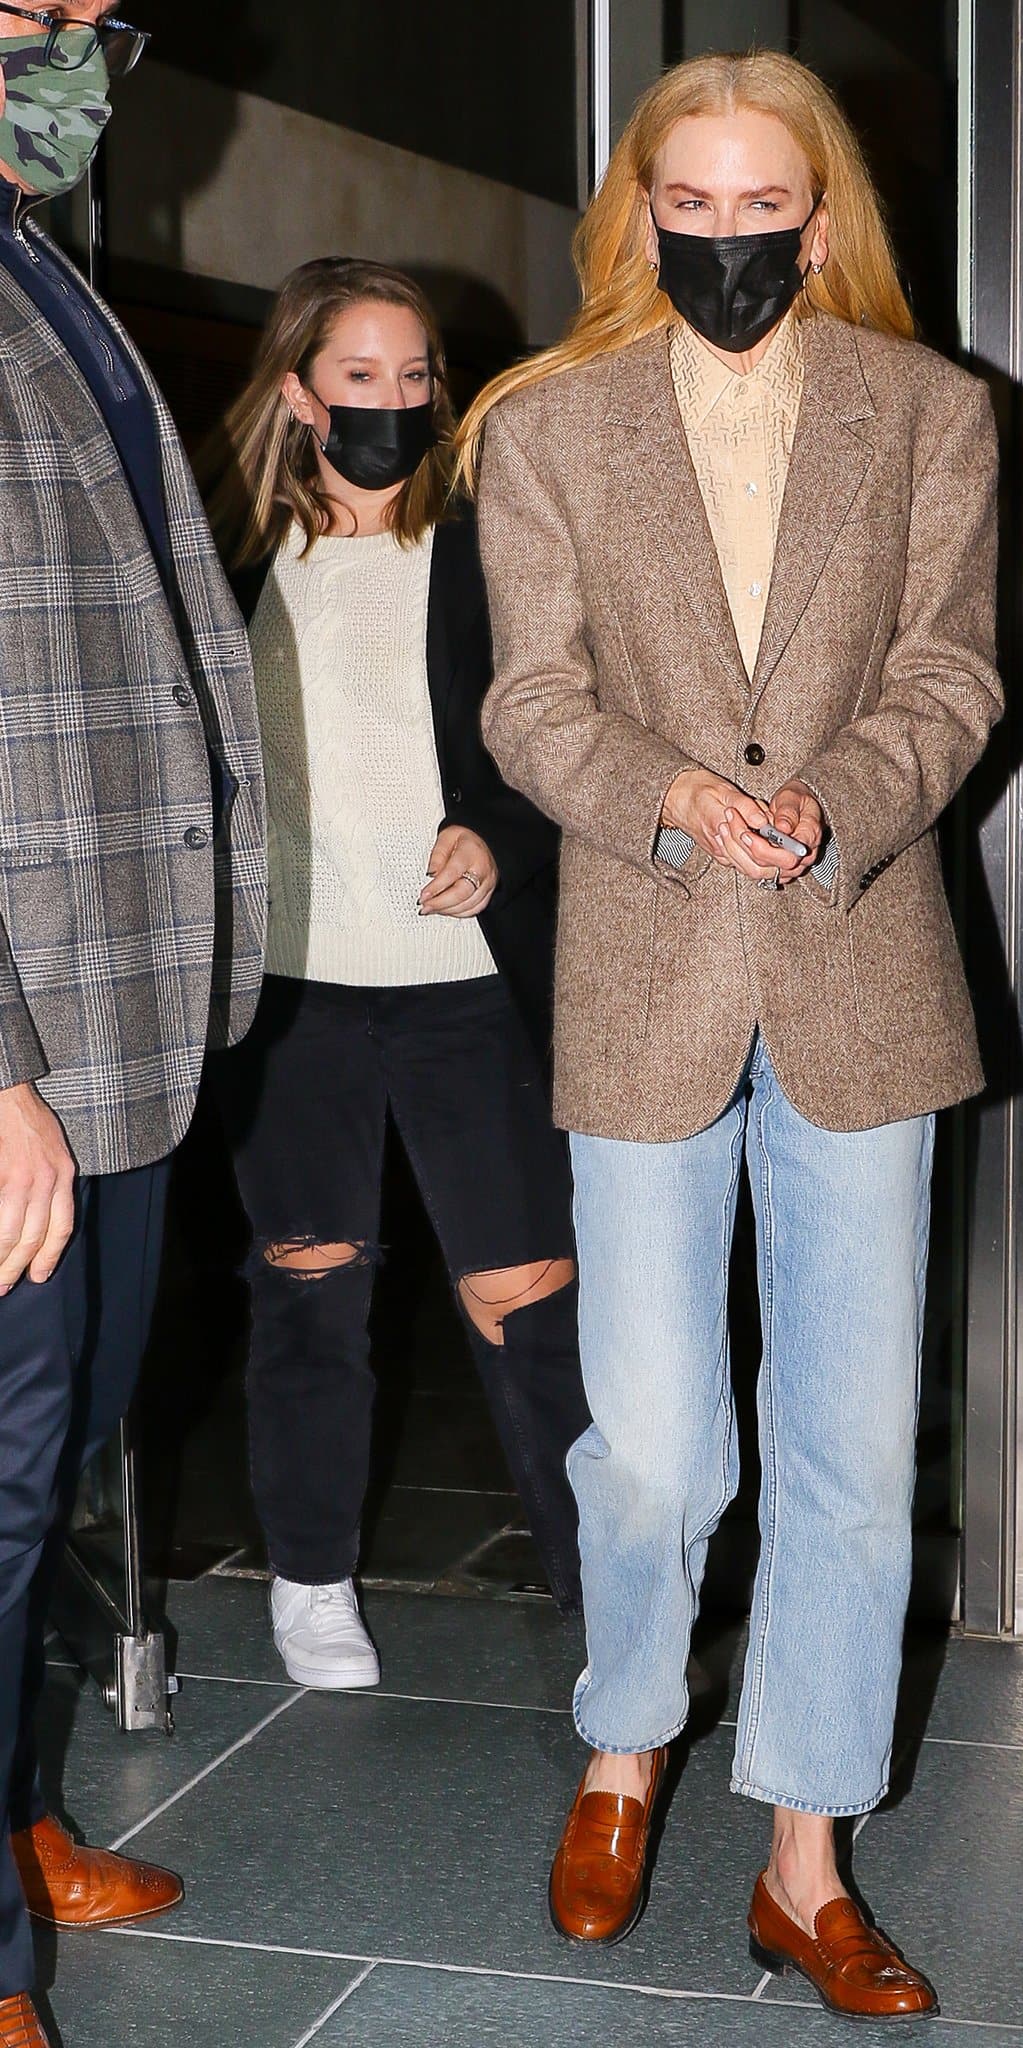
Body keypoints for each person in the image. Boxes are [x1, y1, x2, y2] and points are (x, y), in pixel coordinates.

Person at [461, 48, 1001, 2024]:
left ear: (819, 213)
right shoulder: (548, 428)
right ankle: (626, 1735)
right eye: (680, 206)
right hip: (646, 963)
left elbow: (956, 668)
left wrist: (838, 802)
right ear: (636, 215)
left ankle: (804, 1855)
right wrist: (680, 795)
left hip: (863, 968)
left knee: (851, 1453)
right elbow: (529, 704)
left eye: (754, 205)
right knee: (660, 1444)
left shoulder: (936, 413)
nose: (719, 238)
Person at [201, 259, 588, 1689]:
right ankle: (309, 1582)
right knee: (311, 1293)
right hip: (291, 995)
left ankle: (598, 1585)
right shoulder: (222, 554)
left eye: (417, 375)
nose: (396, 401)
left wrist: (496, 832)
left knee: (528, 1293)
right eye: (361, 377)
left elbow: (566, 736)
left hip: (466, 991)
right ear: (298, 392)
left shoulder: (490, 548)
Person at [0, 7, 267, 2043]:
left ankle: (9, 1818)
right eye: (29, 20)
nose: (79, 61)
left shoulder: (36, 258)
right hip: (23, 1041)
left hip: (122, 1010)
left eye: (101, 24)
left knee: (64, 1450)